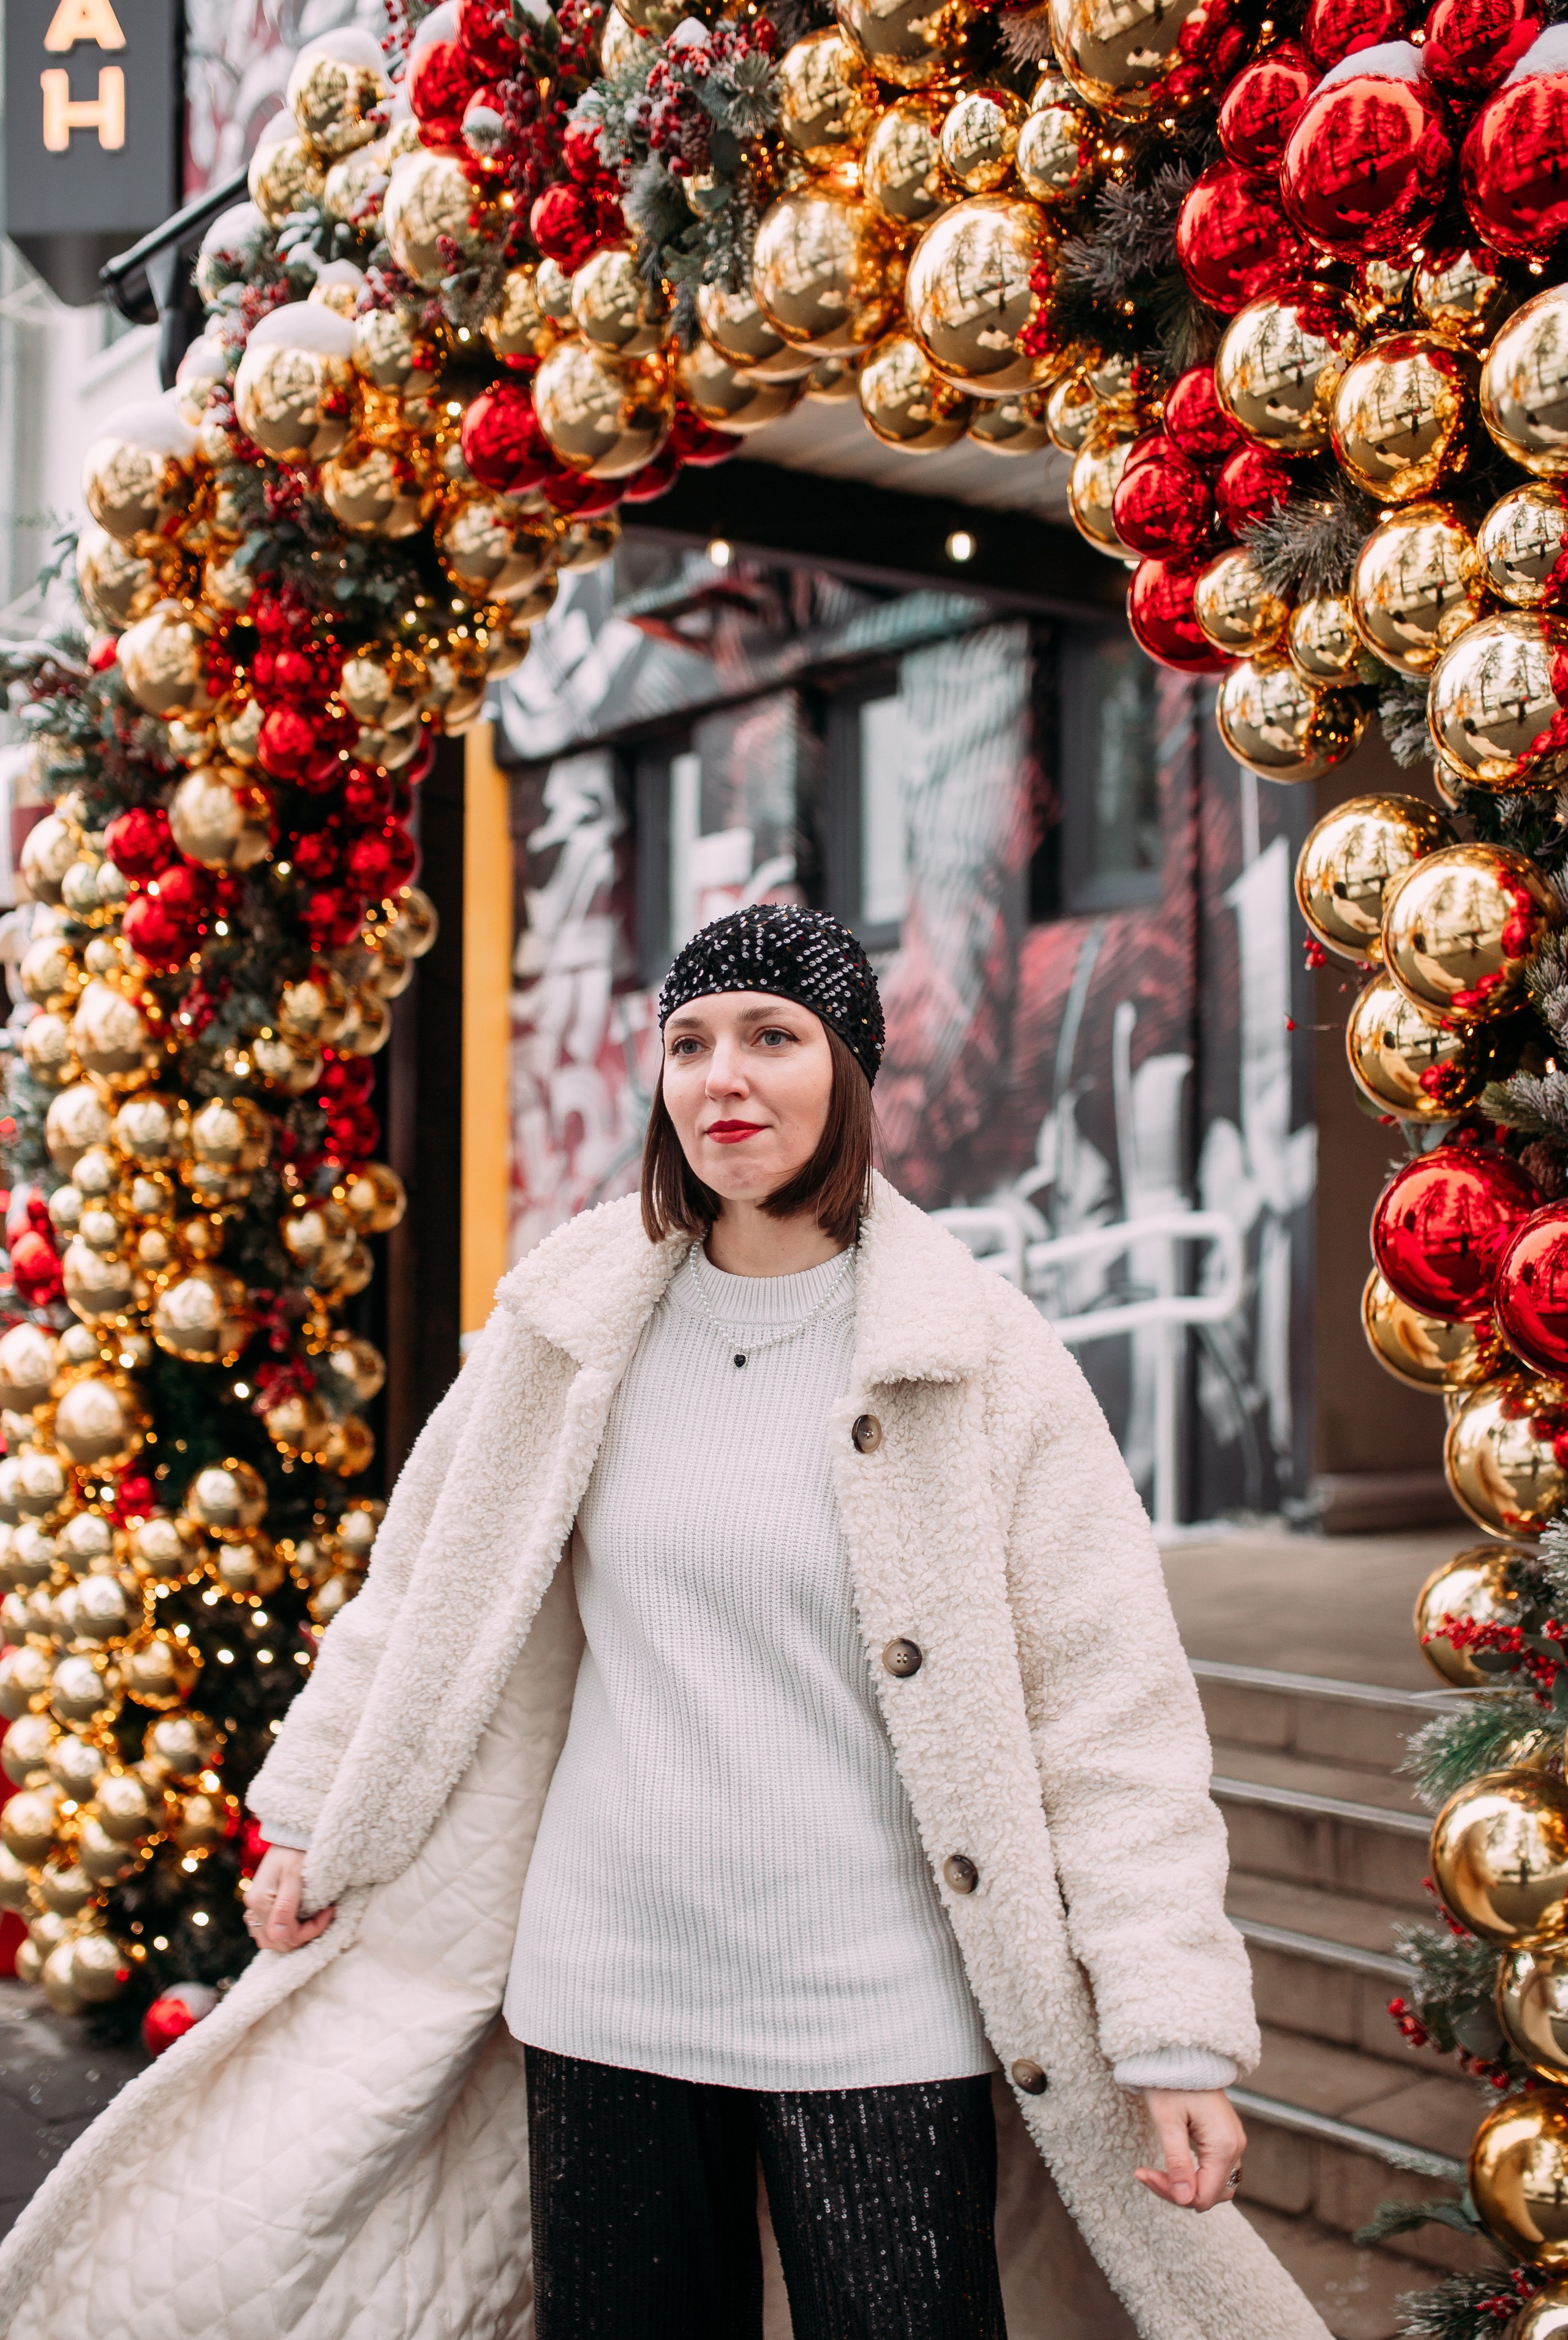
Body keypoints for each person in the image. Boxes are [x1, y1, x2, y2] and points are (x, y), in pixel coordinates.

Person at [0, 905, 1330, 2340]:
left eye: (771, 1037)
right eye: (687, 1043)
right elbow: (423, 1593)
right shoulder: (568, 1326)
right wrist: (316, 1811)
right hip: (603, 1998)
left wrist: (1170, 2028)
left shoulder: (978, 1358)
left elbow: (1109, 1714)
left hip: (877, 2013)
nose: (721, 1078)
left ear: (851, 1072)